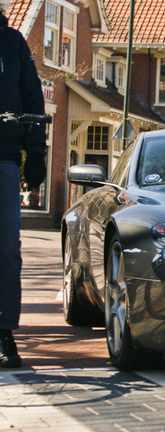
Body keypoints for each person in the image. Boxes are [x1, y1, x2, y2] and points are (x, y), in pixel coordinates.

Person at [0, 1, 47, 368]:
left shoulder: (12, 42)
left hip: (3, 160)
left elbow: (32, 100)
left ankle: (3, 332)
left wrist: (36, 156)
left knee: (6, 248)